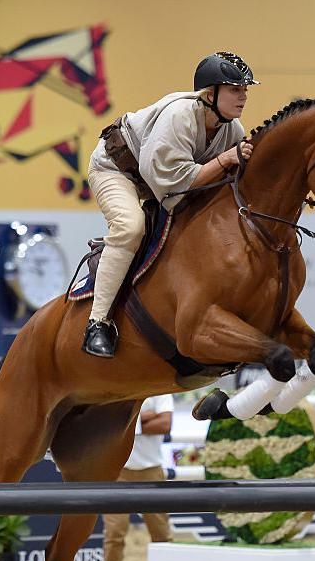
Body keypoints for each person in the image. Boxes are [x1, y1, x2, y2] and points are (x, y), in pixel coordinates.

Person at [83, 51, 258, 358]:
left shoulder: (232, 129)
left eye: (245, 89)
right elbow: (171, 185)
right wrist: (226, 159)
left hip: (156, 181)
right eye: (235, 89)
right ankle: (98, 323)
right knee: (130, 227)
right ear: (209, 94)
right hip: (116, 169)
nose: (243, 96)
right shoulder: (180, 116)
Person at [103, 394, 175, 561]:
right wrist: (146, 417)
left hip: (151, 470)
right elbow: (107, 424)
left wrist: (128, 423)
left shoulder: (162, 390)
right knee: (114, 532)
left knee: (161, 533)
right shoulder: (120, 387)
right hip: (117, 469)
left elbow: (165, 425)